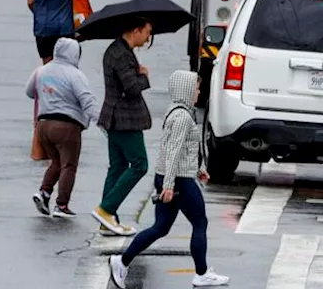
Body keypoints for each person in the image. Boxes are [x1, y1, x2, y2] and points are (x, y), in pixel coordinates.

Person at [109, 71, 229, 288]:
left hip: (169, 176)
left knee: (161, 227)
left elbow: (182, 150)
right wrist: (169, 185)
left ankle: (122, 261)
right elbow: (174, 151)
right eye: (196, 88)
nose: (198, 92)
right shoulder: (183, 117)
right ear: (185, 90)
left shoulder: (175, 111)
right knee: (200, 222)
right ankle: (201, 273)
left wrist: (197, 169)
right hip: (178, 180)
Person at [93, 18, 154, 236]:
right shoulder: (122, 55)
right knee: (139, 164)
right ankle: (106, 209)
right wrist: (143, 76)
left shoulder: (116, 50)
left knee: (117, 167)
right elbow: (132, 88)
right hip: (125, 119)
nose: (148, 39)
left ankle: (107, 220)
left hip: (114, 117)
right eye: (147, 33)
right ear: (136, 30)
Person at [26, 37, 98, 218]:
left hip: (43, 126)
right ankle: (62, 205)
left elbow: (29, 91)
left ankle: (44, 193)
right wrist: (102, 122)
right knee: (69, 165)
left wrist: (48, 92)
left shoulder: (41, 71)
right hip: (66, 126)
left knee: (56, 162)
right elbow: (87, 101)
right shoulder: (75, 74)